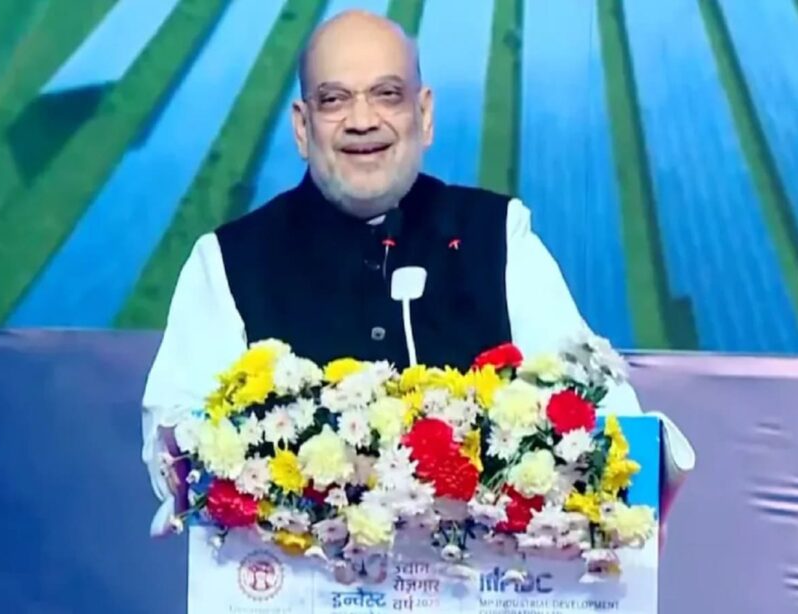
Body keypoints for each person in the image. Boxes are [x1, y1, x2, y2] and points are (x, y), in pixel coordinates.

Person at [141, 10, 693, 535]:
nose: (362, 121)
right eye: (334, 100)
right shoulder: (230, 259)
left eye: (387, 94)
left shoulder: (498, 236)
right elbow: (176, 439)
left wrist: (640, 464)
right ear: (302, 127)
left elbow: (599, 407)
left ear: (423, 116)